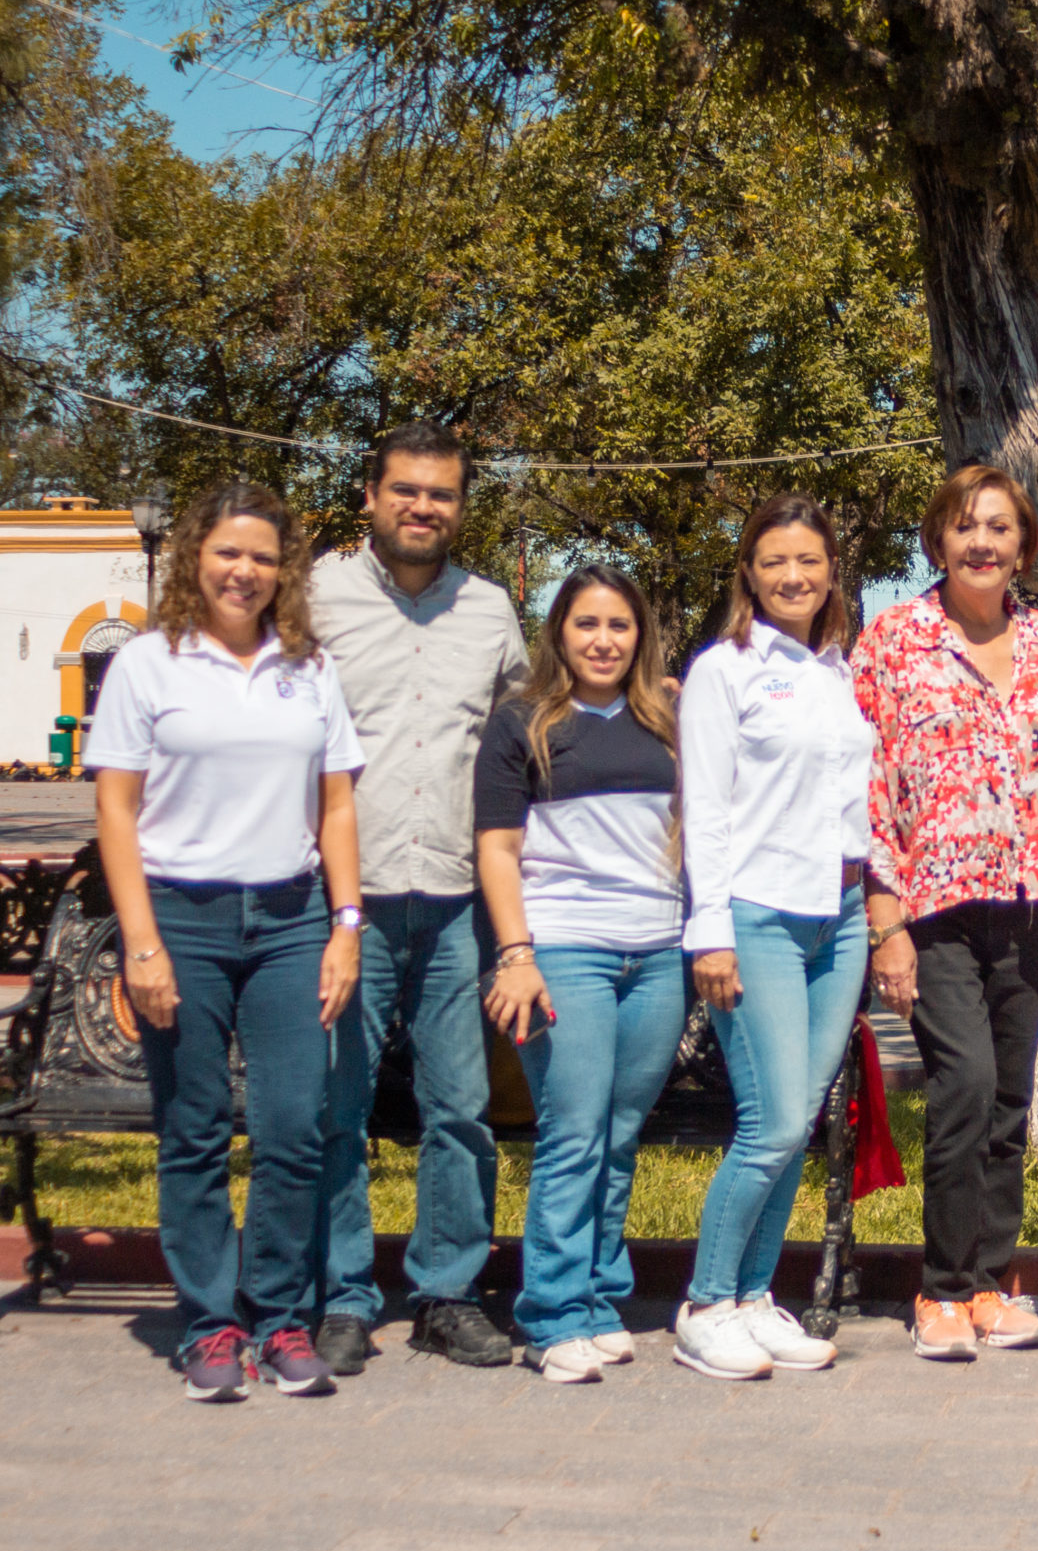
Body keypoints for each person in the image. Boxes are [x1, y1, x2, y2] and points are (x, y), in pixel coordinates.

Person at [88, 483, 366, 1401]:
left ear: (282, 570)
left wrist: (346, 925)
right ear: (193, 559)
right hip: (181, 920)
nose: (243, 571)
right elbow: (116, 813)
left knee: (294, 1129)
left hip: (290, 923)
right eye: (226, 553)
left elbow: (335, 805)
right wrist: (141, 943)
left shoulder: (308, 666)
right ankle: (210, 1326)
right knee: (194, 1131)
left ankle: (279, 1316)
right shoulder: (146, 664)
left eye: (261, 556)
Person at [310, 423, 529, 1374]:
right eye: (405, 490)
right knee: (335, 1107)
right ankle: (344, 1296)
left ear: (459, 505)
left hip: (451, 900)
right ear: (370, 494)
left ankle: (445, 1290)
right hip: (339, 905)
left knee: (460, 1111)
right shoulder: (315, 597)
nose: (421, 507)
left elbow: (527, 732)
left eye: (440, 494)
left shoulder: (489, 610)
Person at [856, 464, 1038, 1362]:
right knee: (965, 1088)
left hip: (1033, 906)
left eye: (998, 528)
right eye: (963, 527)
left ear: (1022, 546)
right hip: (935, 908)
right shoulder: (894, 641)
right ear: (937, 542)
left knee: (1011, 1102)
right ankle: (940, 1288)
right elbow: (867, 790)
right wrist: (886, 919)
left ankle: (991, 1282)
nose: (981, 542)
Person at [674, 493, 876, 1380]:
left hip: (842, 920)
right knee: (771, 1121)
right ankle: (706, 1302)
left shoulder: (838, 669)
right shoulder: (725, 670)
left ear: (831, 569)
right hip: (756, 916)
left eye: (808, 560)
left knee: (799, 1123)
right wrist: (709, 930)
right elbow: (706, 809)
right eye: (773, 562)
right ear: (748, 574)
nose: (793, 576)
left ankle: (756, 1296)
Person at [475, 563, 688, 1384]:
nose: (604, 639)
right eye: (587, 623)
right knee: (573, 1133)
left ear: (641, 636)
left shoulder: (666, 721)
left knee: (619, 1132)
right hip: (564, 951)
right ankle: (552, 1311)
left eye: (620, 625)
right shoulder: (522, 724)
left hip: (658, 953)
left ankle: (600, 1296)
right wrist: (517, 953)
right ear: (559, 631)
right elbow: (497, 848)